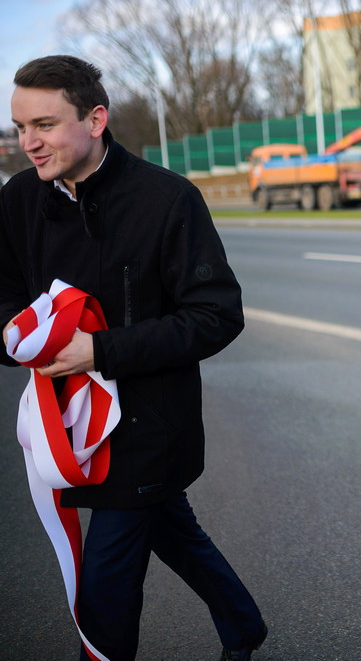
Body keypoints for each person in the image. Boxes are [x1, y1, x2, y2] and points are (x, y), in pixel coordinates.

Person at [0, 56, 267, 661]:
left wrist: (100, 350)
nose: (29, 143)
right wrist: (17, 337)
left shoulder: (167, 199)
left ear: (96, 119)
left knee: (103, 591)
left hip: (147, 429)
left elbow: (217, 315)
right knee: (175, 533)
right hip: (65, 430)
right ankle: (244, 626)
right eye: (19, 127)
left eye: (44, 124)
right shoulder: (19, 199)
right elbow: (6, 293)